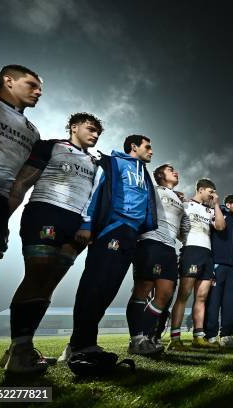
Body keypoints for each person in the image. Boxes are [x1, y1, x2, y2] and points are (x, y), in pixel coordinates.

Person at [0, 113, 102, 373]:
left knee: (50, 282)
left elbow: (94, 196)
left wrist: (87, 225)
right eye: (90, 129)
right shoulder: (50, 146)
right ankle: (20, 349)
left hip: (76, 224)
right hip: (46, 211)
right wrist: (3, 218)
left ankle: (20, 346)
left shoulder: (95, 162)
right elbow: (22, 181)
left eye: (98, 132)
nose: (95, 135)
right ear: (74, 127)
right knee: (37, 274)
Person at [59, 134, 157, 362]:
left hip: (132, 234)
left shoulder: (144, 172)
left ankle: (80, 343)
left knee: (109, 289)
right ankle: (81, 344)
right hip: (113, 229)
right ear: (134, 146)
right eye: (147, 147)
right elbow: (95, 191)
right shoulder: (113, 163)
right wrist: (86, 224)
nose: (151, 151)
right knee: (95, 286)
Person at [0, 65, 42, 372]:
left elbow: (20, 181)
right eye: (32, 85)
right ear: (8, 80)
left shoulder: (32, 132)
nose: (38, 91)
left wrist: (5, 213)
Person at [126, 164, 189, 354]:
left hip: (169, 247)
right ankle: (137, 339)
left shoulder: (179, 200)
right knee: (142, 290)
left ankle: (145, 337)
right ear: (160, 175)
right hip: (149, 242)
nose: (175, 171)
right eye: (171, 170)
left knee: (165, 294)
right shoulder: (151, 190)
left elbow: (182, 230)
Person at [168, 179, 225, 350]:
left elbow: (221, 226)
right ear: (201, 189)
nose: (213, 194)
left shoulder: (210, 210)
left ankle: (198, 337)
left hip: (207, 254)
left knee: (201, 297)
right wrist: (185, 239)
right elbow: (176, 227)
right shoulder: (185, 205)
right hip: (191, 251)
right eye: (210, 191)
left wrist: (216, 205)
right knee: (183, 295)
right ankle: (175, 338)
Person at [205, 194, 233, 346]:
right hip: (217, 264)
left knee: (230, 302)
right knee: (214, 301)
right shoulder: (218, 212)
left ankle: (227, 335)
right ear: (228, 205)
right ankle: (210, 335)